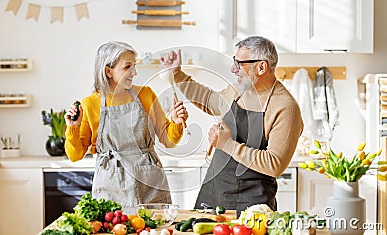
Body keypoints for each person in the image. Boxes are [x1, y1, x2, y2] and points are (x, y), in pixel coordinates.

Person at [160, 36, 303, 215]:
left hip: (252, 205)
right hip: (213, 195)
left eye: (240, 63)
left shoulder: (285, 106)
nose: (233, 69)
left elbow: (274, 164)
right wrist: (177, 73)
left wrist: (227, 144)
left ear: (261, 67)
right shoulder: (240, 91)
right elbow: (208, 100)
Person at [64, 41, 189, 213]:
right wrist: (73, 128)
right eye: (127, 67)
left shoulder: (146, 94)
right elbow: (75, 155)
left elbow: (168, 140)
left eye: (134, 66)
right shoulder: (90, 104)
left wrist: (175, 122)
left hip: (150, 183)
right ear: (108, 71)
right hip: (111, 186)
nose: (134, 72)